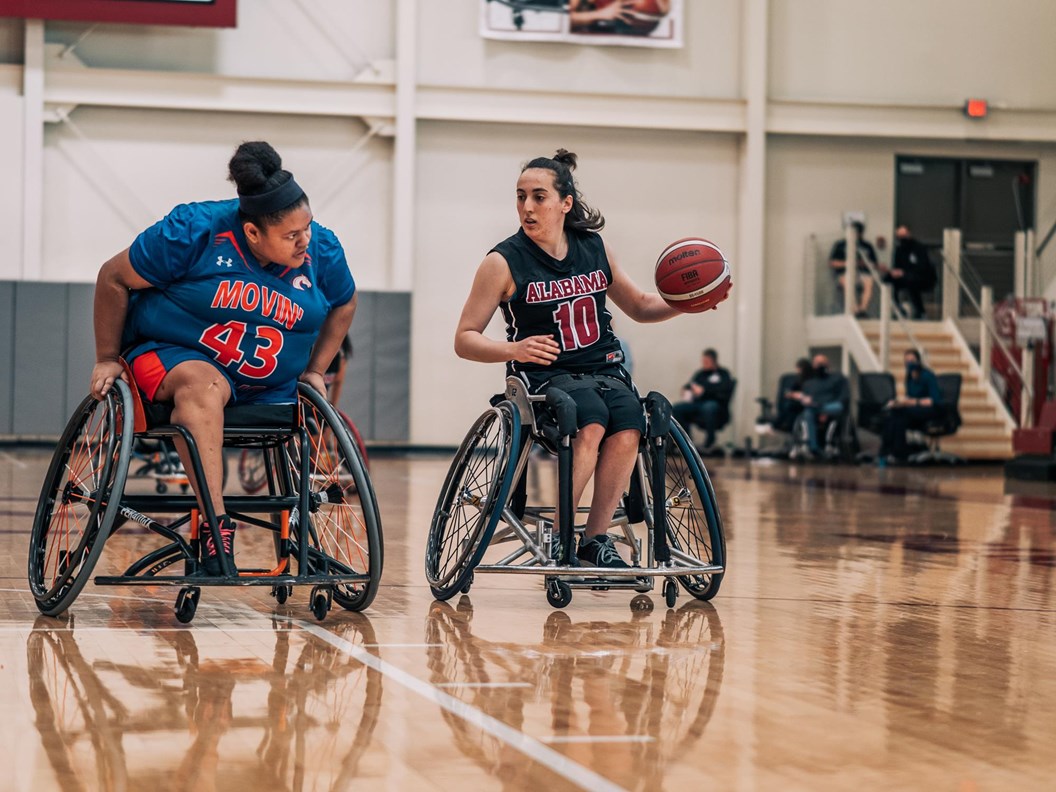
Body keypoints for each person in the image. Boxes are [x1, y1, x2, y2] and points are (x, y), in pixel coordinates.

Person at [90, 141, 357, 574]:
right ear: (252, 233)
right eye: (291, 235)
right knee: (204, 384)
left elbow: (345, 302)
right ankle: (217, 527)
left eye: (307, 226)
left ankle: (288, 543)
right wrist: (105, 357)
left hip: (267, 386)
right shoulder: (192, 230)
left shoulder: (321, 249)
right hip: (175, 357)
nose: (305, 240)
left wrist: (315, 370)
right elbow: (112, 277)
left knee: (229, 389)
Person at [454, 149, 720, 569]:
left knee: (629, 421)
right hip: (545, 379)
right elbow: (464, 339)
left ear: (566, 203)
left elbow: (641, 306)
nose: (527, 207)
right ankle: (562, 537)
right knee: (590, 420)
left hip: (604, 369)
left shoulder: (594, 248)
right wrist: (514, 349)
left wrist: (686, 303)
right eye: (521, 196)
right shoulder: (502, 262)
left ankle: (595, 539)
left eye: (538, 196)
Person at [879, 349, 943, 463]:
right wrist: (898, 402)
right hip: (914, 410)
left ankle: (898, 454)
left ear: (918, 361)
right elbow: (909, 397)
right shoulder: (909, 377)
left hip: (930, 410)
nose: (909, 363)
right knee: (893, 413)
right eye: (907, 361)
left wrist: (914, 402)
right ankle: (888, 452)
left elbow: (934, 400)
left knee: (902, 413)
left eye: (912, 360)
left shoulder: (928, 375)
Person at [788, 353, 849, 459]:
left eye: (822, 363)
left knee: (837, 406)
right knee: (808, 412)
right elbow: (806, 399)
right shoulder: (809, 383)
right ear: (813, 365)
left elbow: (844, 397)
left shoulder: (838, 378)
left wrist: (824, 410)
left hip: (832, 406)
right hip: (814, 408)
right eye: (817, 363)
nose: (820, 366)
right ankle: (813, 447)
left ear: (827, 364)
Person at [672, 348, 734, 450]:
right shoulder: (701, 374)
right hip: (698, 405)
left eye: (707, 361)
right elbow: (691, 385)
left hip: (717, 406)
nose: (704, 364)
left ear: (713, 361)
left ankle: (709, 441)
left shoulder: (723, 374)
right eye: (703, 361)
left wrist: (704, 391)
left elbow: (723, 390)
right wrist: (686, 389)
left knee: (709, 407)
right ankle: (685, 440)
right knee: (677, 408)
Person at [879, 225, 936, 320]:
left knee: (911, 281)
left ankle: (920, 311)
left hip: (922, 277)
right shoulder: (899, 249)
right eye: (899, 236)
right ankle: (897, 308)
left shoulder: (919, 248)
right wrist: (893, 272)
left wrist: (904, 272)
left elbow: (923, 266)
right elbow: (897, 266)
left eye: (904, 235)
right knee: (887, 279)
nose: (902, 239)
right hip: (904, 276)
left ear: (909, 234)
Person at [829, 221, 878, 318]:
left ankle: (862, 309)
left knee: (869, 282)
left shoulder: (867, 246)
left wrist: (863, 263)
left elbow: (874, 264)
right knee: (847, 281)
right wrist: (849, 263)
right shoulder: (840, 245)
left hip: (863, 273)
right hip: (845, 273)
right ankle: (854, 310)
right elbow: (832, 263)